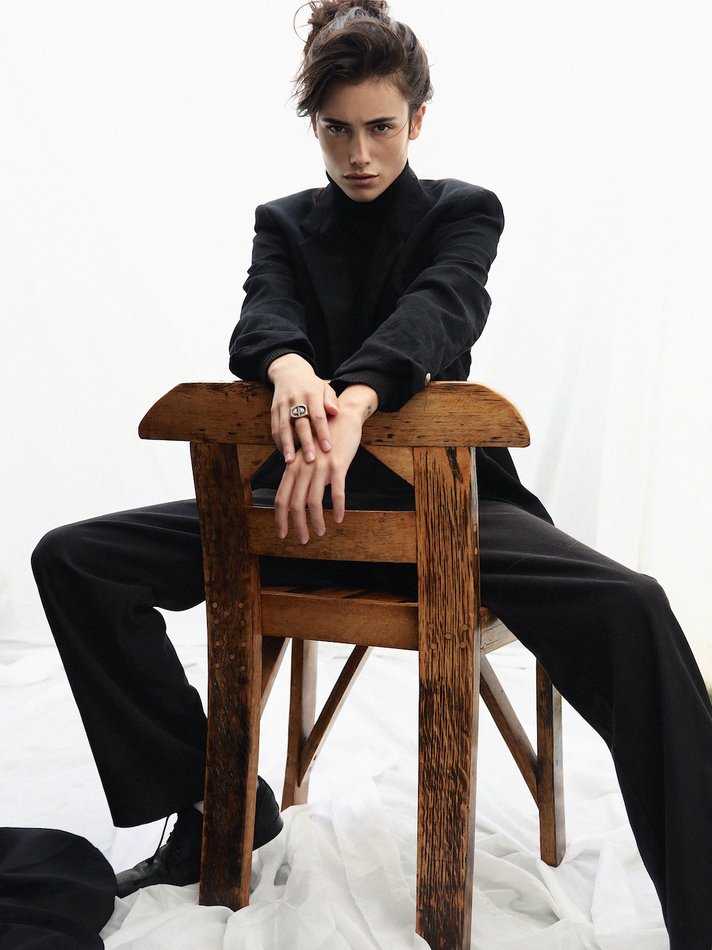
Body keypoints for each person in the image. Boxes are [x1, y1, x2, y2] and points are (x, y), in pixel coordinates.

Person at [30, 2, 712, 947]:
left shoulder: (462, 212)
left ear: (418, 119)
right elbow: (261, 315)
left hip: (446, 505)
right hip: (296, 501)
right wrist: (288, 367)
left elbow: (441, 310)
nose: (360, 153)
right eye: (337, 129)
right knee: (73, 559)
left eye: (381, 127)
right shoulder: (282, 223)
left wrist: (354, 404)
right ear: (314, 125)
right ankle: (212, 803)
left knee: (634, 606)